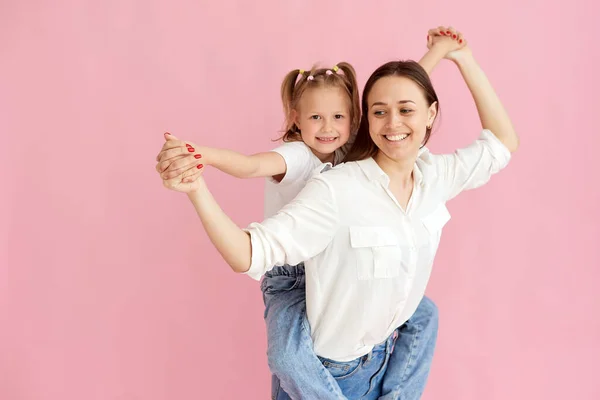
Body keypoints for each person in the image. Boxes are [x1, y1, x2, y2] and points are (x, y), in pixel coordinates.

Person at [157, 26, 514, 399]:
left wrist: (450, 55)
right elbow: (248, 171)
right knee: (288, 354)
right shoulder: (316, 171)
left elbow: (403, 94)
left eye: (338, 118)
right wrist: (199, 163)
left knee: (425, 314)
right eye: (315, 119)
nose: (327, 128)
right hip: (295, 288)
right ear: (297, 118)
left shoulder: (405, 165)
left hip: (371, 347)